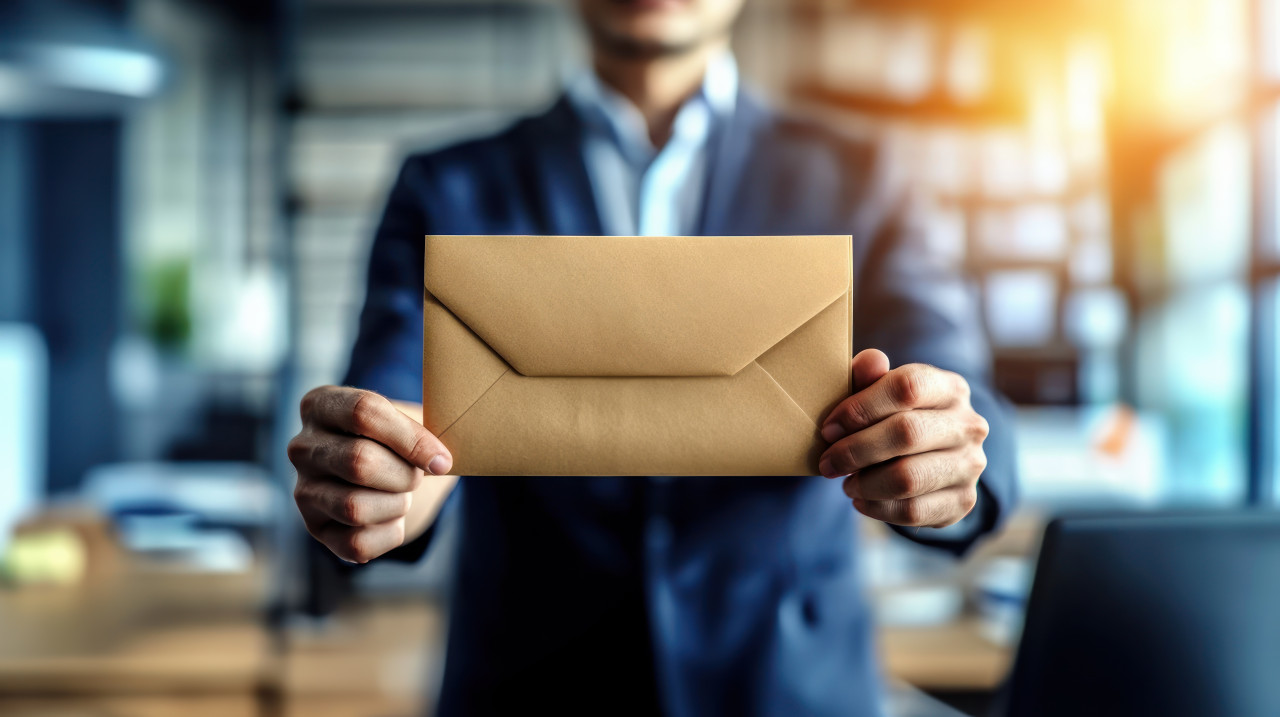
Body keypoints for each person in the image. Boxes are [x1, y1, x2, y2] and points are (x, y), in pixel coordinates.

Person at [286, 0, 1017, 714]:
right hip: (532, 682)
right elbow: (393, 395)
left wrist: (942, 456)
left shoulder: (865, 176)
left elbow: (971, 411)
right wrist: (381, 471)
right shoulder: (446, 186)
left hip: (786, 683)